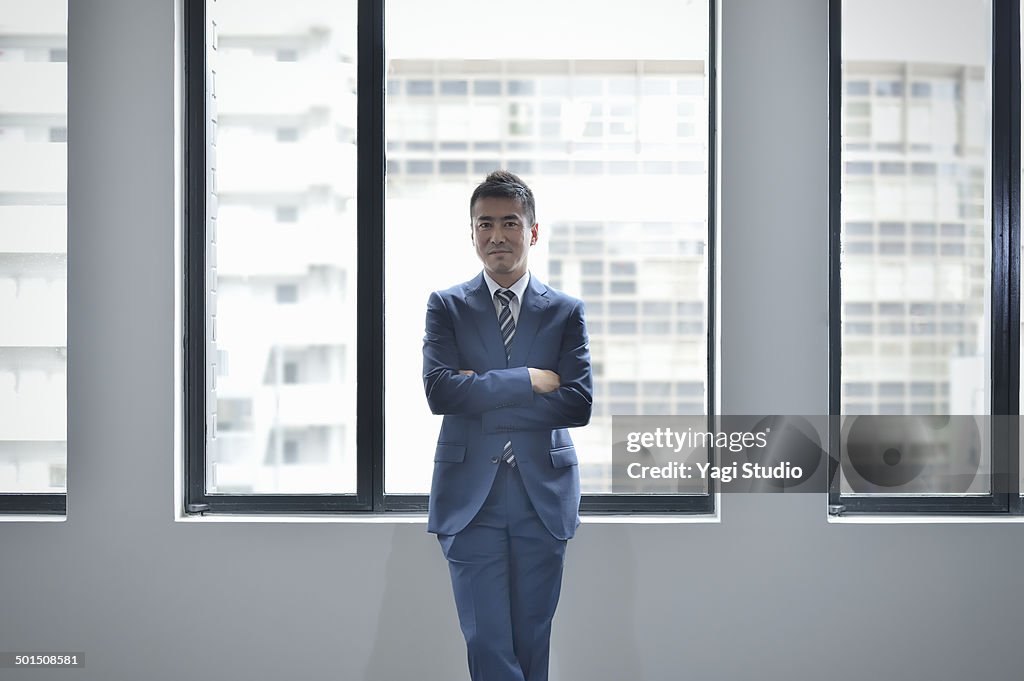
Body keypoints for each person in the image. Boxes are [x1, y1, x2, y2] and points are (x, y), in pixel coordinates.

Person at [422, 170, 593, 681]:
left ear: (532, 232)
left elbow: (577, 404)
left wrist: (483, 390)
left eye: (510, 223)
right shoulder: (446, 306)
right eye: (485, 224)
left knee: (532, 640)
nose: (497, 235)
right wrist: (528, 380)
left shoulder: (565, 312)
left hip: (541, 496)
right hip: (470, 499)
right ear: (472, 233)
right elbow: (440, 392)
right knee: (487, 642)